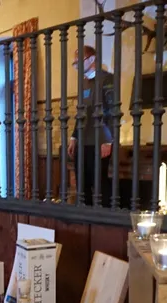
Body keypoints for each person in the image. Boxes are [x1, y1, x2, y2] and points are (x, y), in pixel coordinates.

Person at [68, 45, 114, 208]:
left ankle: (107, 218)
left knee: (100, 181)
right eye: (75, 64)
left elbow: (112, 110)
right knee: (82, 181)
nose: (77, 67)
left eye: (79, 62)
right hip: (83, 140)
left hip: (99, 140)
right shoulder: (83, 83)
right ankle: (85, 216)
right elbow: (81, 112)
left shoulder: (107, 79)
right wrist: (74, 136)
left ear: (92, 59)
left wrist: (108, 140)